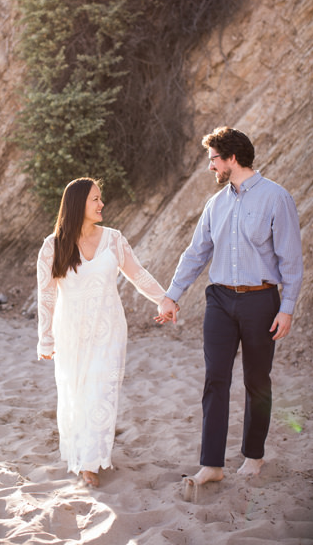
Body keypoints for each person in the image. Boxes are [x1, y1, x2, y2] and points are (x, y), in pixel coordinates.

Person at [156, 126, 302, 498]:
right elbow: (196, 253)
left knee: (257, 380)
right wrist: (172, 295)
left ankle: (253, 456)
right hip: (219, 301)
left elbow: (291, 260)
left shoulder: (276, 198)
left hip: (261, 301)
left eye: (214, 160)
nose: (211, 167)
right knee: (215, 379)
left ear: (232, 159)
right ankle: (212, 465)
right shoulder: (215, 204)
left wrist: (286, 308)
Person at [36, 177, 170, 488]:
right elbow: (46, 295)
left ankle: (90, 463)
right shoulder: (52, 246)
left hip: (109, 330)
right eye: (95, 199)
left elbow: (137, 274)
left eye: (100, 198)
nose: (102, 204)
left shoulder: (113, 239)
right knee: (77, 393)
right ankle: (83, 455)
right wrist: (45, 337)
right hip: (71, 333)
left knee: (101, 393)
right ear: (77, 204)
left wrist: (164, 299)